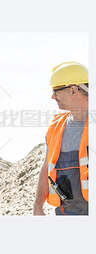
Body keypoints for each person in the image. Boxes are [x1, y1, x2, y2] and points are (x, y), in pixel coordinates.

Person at [34, 62, 89, 216]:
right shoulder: (55, 127)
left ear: (73, 90)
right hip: (65, 212)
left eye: (56, 91)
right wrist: (38, 207)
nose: (53, 96)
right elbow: (46, 168)